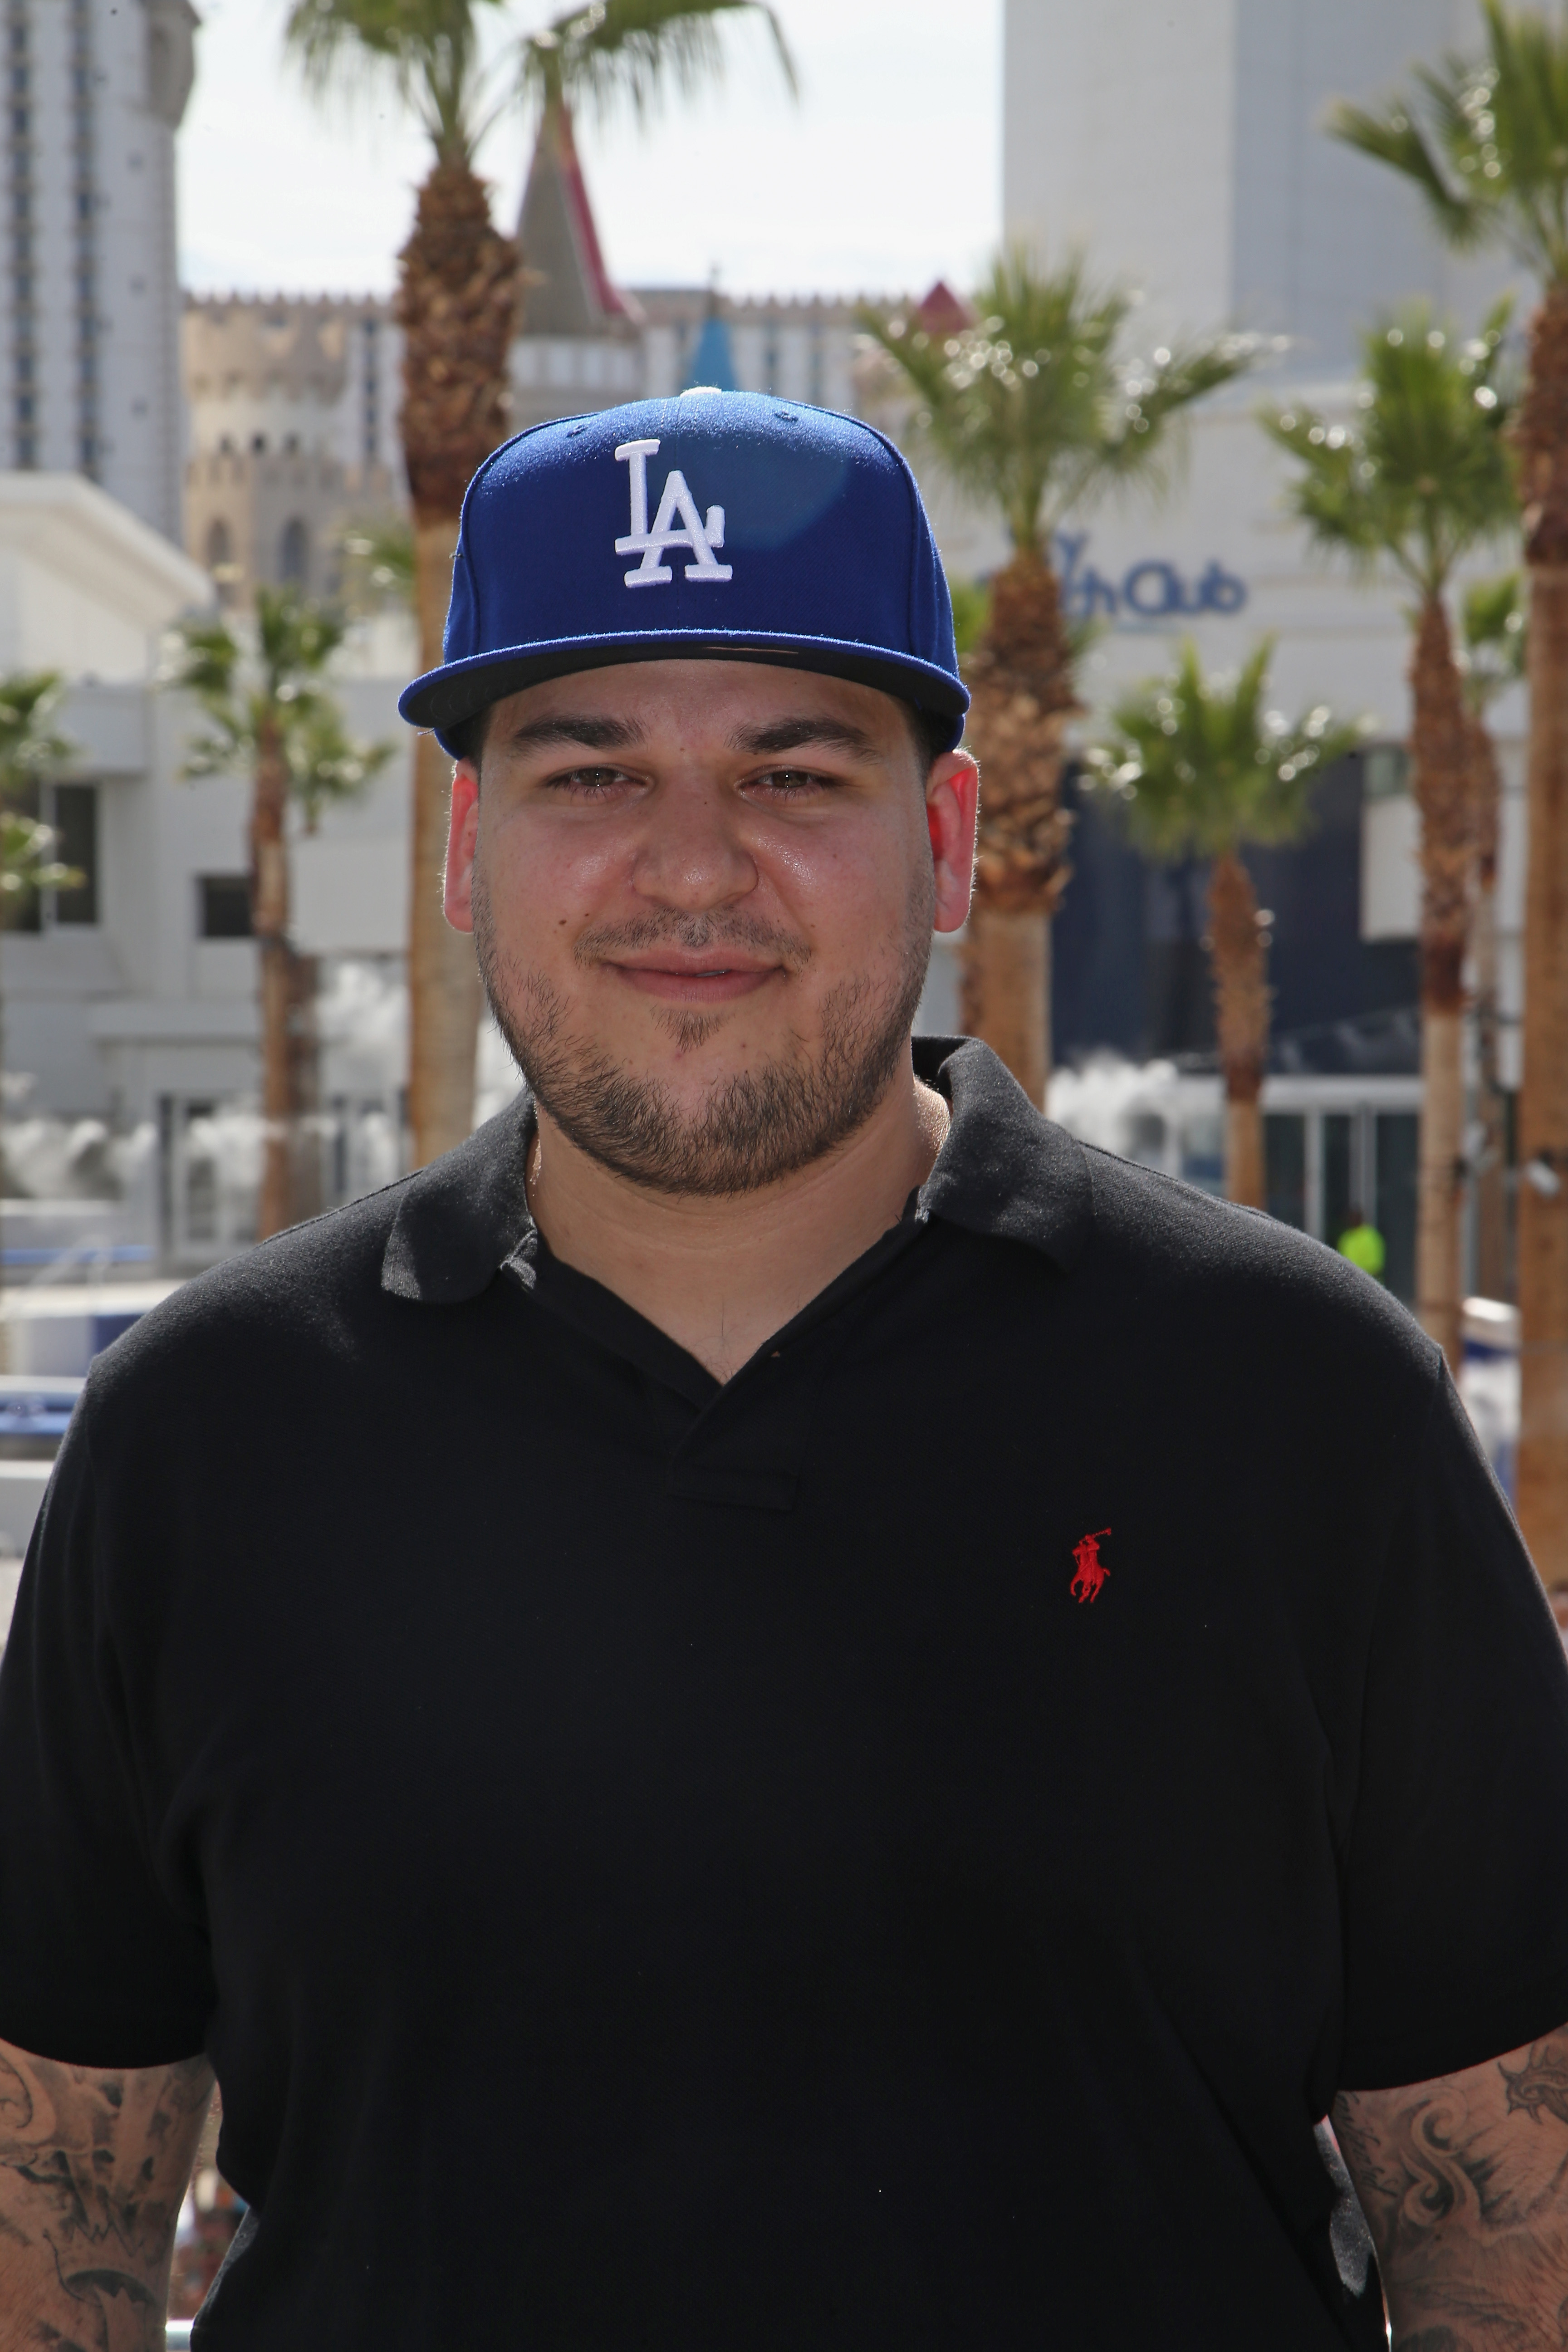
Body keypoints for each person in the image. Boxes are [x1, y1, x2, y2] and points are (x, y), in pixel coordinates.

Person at [0, 392, 1566, 2352]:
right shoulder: (209, 1434)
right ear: (467, 840)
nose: (689, 867)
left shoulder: (1293, 1400)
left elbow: (1505, 2227)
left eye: (790, 773)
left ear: (942, 829)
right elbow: (52, 2221)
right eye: (589, 773)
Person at [1336, 1206, 1386, 1280]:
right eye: (1351, 1217)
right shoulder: (1345, 1238)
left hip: (1369, 1282)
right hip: (1349, 1282)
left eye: (1355, 1217)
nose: (1353, 1220)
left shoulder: (1371, 1237)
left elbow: (1376, 1267)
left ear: (1361, 1218)